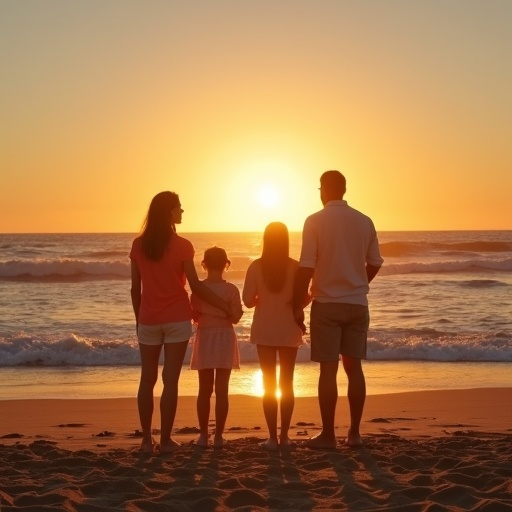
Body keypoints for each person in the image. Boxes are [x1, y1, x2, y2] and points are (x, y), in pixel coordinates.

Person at [130, 191, 232, 454]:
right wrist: (223, 305)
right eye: (179, 208)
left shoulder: (138, 245)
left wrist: (138, 318)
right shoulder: (183, 246)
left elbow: (135, 289)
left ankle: (145, 442)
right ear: (169, 212)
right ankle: (164, 441)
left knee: (147, 379)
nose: (182, 212)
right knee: (170, 381)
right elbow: (195, 285)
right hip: (176, 318)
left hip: (149, 319)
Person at [293, 170, 383, 449]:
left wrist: (297, 304)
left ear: (323, 190)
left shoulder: (314, 221)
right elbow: (376, 262)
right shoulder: (364, 220)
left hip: (327, 304)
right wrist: (358, 283)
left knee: (328, 371)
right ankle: (354, 434)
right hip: (357, 304)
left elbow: (306, 265)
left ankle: (329, 435)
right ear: (344, 190)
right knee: (354, 369)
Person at [243, 222, 305, 451]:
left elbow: (247, 300)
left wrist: (262, 299)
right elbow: (302, 300)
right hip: (289, 329)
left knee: (269, 384)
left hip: (265, 330)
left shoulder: (256, 266)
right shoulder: (296, 267)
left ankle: (271, 437)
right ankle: (285, 436)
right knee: (287, 383)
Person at [190, 246, 243, 448]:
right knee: (222, 391)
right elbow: (236, 317)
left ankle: (204, 436)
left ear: (204, 265)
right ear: (226, 265)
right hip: (224, 336)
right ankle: (219, 436)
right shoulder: (231, 290)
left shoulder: (199, 289)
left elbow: (193, 315)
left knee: (204, 390)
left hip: (205, 335)